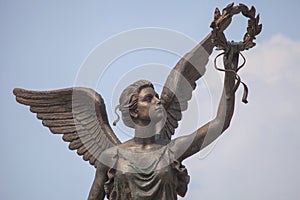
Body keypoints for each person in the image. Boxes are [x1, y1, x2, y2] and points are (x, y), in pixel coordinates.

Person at [87, 31, 237, 199]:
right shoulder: (111, 157)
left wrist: (229, 76)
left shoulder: (172, 150)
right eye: (148, 99)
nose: (158, 101)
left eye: (156, 96)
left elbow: (219, 123)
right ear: (134, 111)